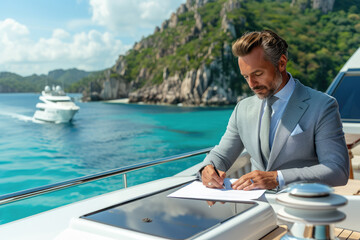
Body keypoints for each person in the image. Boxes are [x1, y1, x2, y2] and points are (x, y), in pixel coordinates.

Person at [199, 29, 349, 191]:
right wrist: (208, 169)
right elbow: (221, 155)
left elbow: (337, 170)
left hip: (304, 208)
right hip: (256, 208)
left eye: (258, 73)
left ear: (282, 63)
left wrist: (278, 178)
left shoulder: (322, 105)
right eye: (246, 77)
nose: (252, 84)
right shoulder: (242, 108)